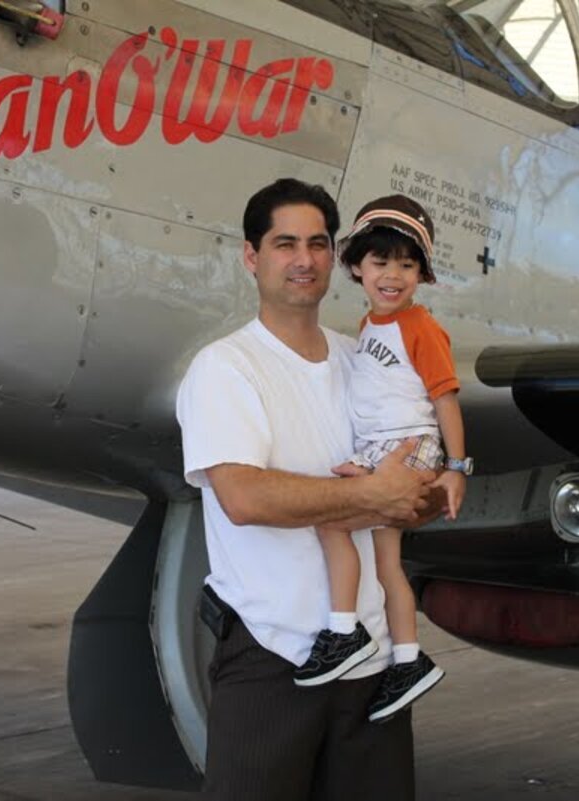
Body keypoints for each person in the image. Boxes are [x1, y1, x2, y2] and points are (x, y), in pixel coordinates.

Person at [176, 178, 436, 801]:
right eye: (285, 243)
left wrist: (422, 486)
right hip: (273, 656)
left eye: (319, 244)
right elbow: (245, 498)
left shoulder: (369, 363)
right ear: (251, 256)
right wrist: (373, 495)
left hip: (373, 664)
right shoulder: (226, 368)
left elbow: (411, 498)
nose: (304, 260)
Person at [294, 195, 470, 723]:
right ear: (356, 267)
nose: (393, 274)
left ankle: (344, 633)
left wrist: (457, 469)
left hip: (412, 449)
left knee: (329, 523)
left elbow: (444, 399)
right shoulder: (369, 328)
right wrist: (366, 466)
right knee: (389, 564)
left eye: (407, 263)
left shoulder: (420, 326)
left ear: (421, 273)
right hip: (384, 452)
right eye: (380, 261)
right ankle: (407, 660)